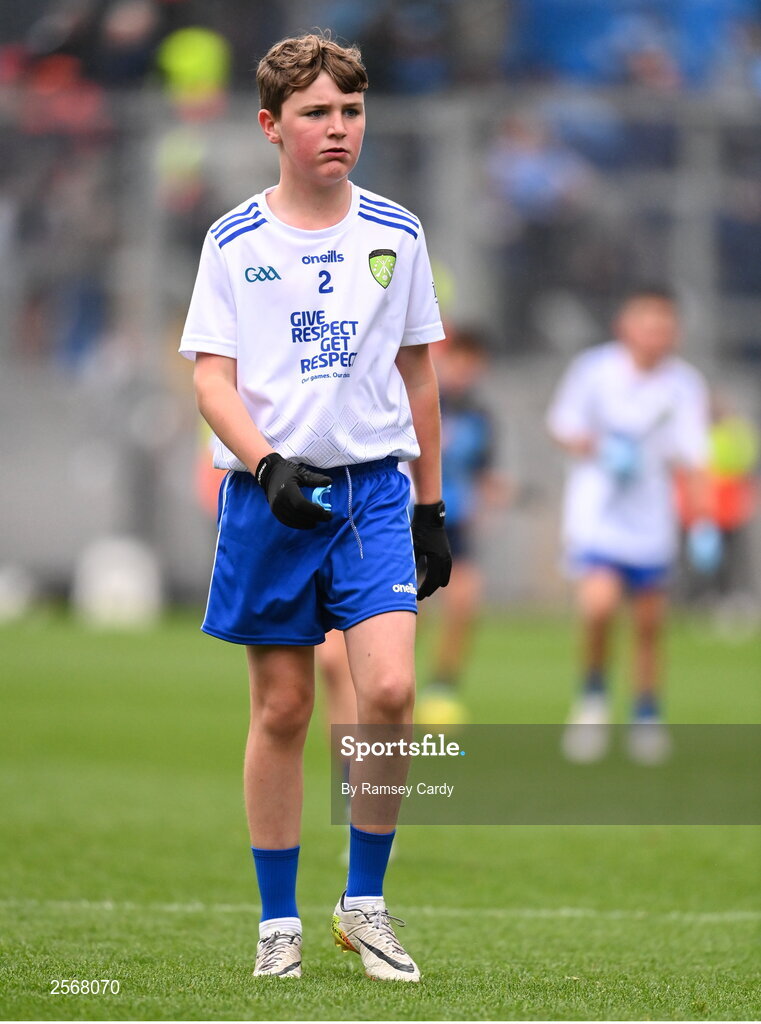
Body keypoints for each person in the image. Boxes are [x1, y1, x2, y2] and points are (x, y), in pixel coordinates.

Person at [179, 32, 451, 982]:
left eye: (352, 111)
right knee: (286, 706)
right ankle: (276, 923)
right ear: (270, 126)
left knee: (385, 692)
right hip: (271, 501)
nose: (339, 129)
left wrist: (430, 505)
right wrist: (266, 467)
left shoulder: (396, 231)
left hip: (373, 492)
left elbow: (420, 372)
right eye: (316, 114)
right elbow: (212, 381)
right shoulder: (232, 241)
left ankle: (365, 902)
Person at [546, 287, 711, 764]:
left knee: (649, 623)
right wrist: (600, 448)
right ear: (625, 326)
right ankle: (593, 698)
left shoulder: (684, 385)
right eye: (648, 325)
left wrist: (702, 524)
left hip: (651, 519)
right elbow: (561, 425)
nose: (657, 336)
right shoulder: (594, 371)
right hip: (597, 514)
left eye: (666, 327)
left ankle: (646, 713)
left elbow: (693, 458)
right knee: (598, 607)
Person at [417, 326, 506, 725]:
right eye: (458, 359)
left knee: (465, 601)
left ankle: (443, 688)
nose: (463, 370)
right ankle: (390, 679)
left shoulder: (480, 417)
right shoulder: (415, 400)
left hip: (456, 522)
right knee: (408, 611)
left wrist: (491, 494)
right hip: (411, 517)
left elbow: (484, 471)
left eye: (473, 363)